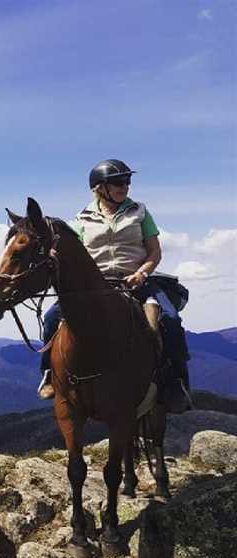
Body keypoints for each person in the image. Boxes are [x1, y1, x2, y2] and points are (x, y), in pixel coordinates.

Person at [37, 159, 193, 413]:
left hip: (137, 281)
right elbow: (74, 255)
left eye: (127, 181)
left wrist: (142, 273)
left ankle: (175, 382)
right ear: (100, 188)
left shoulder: (140, 212)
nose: (126, 186)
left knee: (171, 319)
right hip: (95, 285)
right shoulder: (81, 219)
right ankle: (48, 373)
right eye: (119, 182)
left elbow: (154, 251)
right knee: (52, 317)